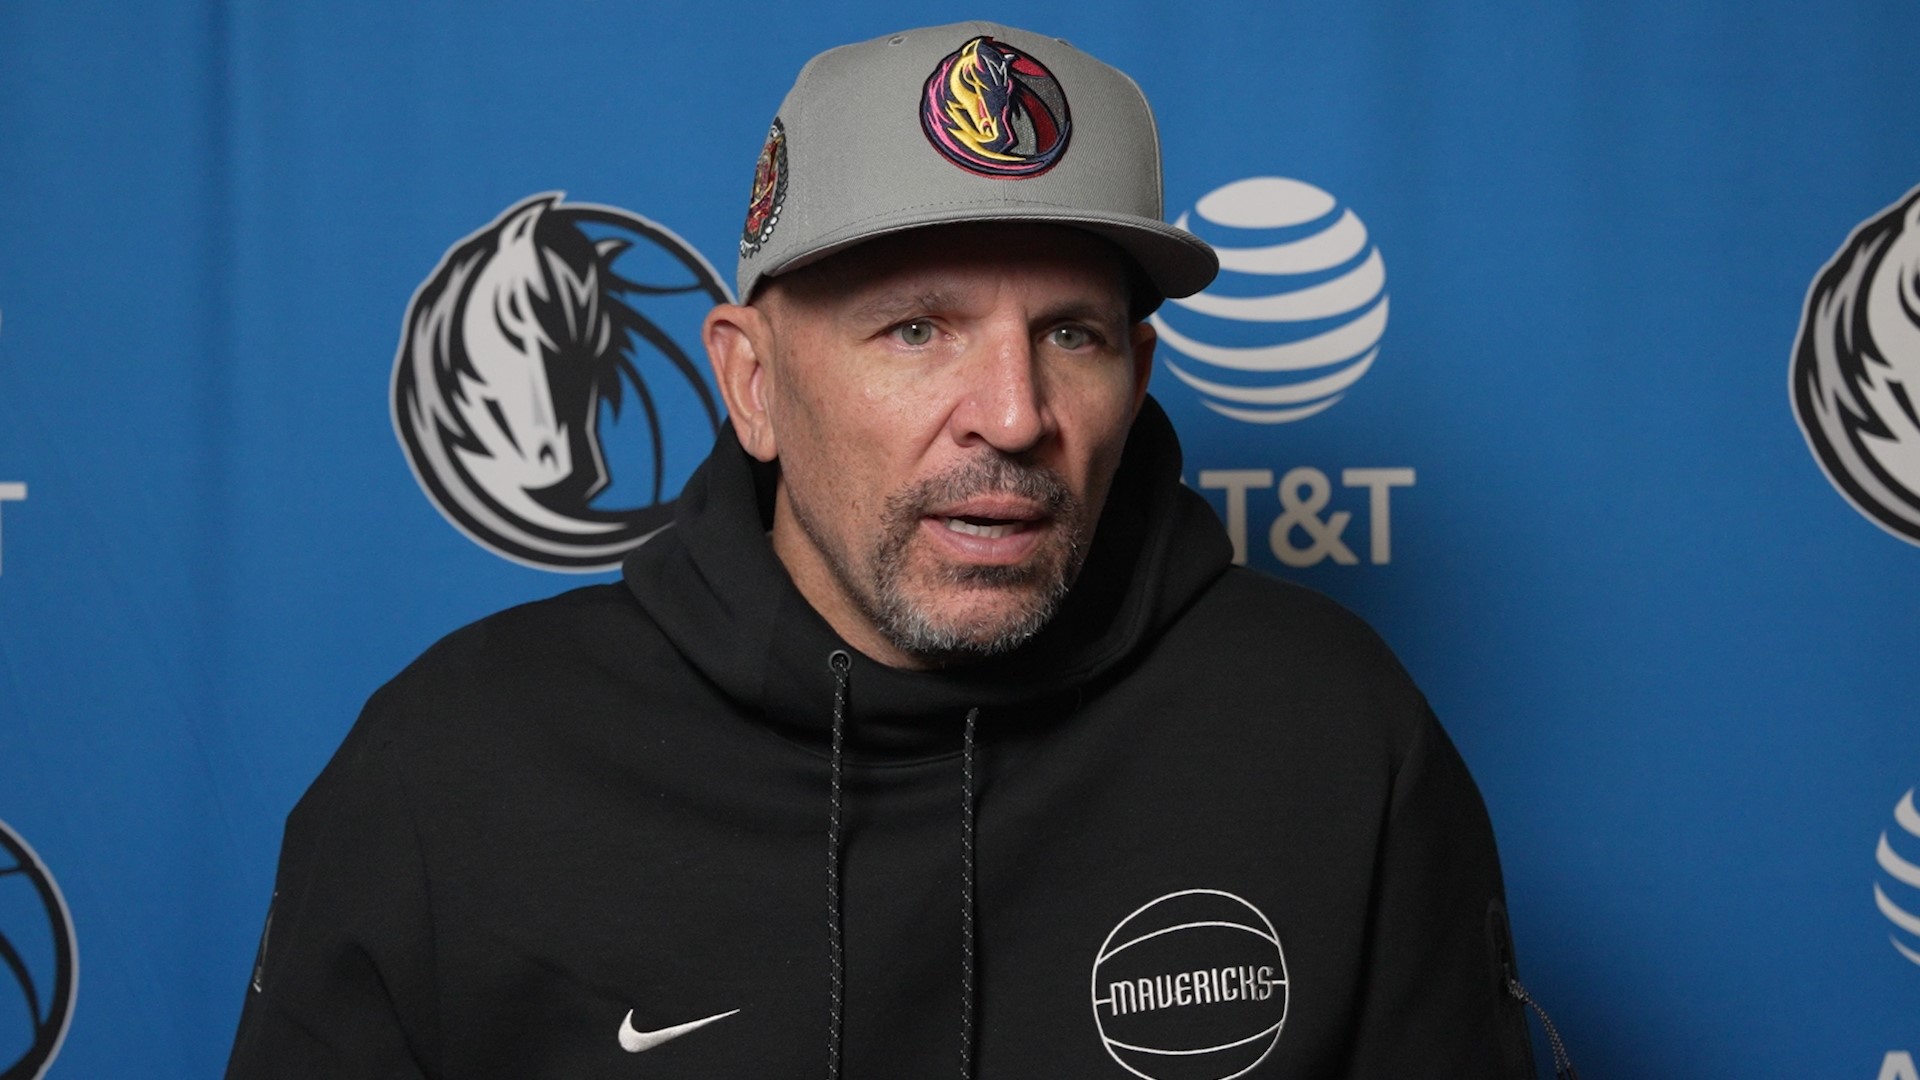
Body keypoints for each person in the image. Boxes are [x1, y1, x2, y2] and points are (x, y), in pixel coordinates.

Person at [227, 21, 1542, 1079]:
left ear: (1139, 375)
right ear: (750, 385)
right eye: (917, 328)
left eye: (1071, 335)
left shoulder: (1328, 732)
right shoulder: (453, 774)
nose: (1016, 415)